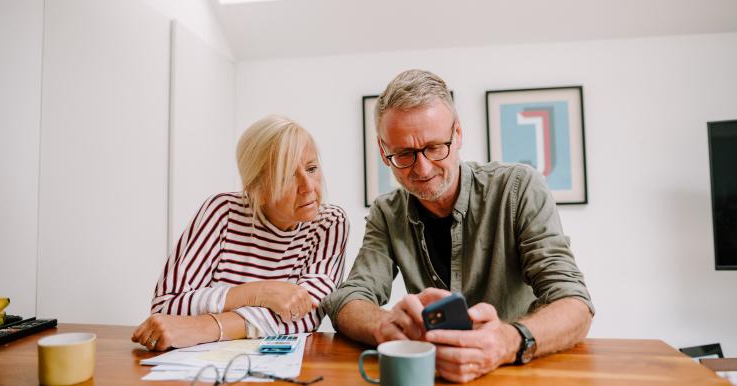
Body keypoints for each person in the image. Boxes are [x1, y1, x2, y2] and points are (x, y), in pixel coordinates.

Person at [322, 69, 594, 383]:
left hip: (517, 371)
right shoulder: (387, 212)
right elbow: (348, 299)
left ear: (459, 134)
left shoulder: (518, 187)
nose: (422, 169)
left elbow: (575, 304)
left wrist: (506, 342)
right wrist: (384, 325)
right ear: (384, 152)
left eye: (436, 147)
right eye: (405, 154)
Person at [132, 115, 348, 351]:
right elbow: (166, 308)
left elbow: (307, 314)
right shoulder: (222, 212)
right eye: (286, 176)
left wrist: (207, 327)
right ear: (256, 189)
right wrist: (259, 292)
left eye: (312, 168)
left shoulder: (329, 223)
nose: (308, 186)